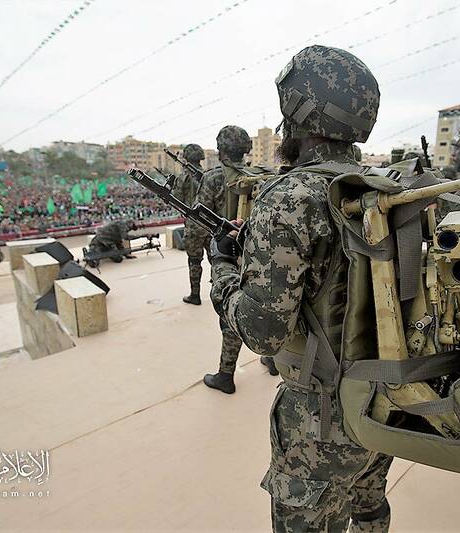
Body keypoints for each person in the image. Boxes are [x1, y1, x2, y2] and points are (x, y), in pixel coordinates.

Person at [210, 45, 392, 531]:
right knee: (369, 506)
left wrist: (224, 270)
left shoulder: (290, 198)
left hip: (323, 420)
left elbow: (263, 334)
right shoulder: (383, 188)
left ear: (297, 113)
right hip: (390, 400)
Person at [200, 125, 276, 395]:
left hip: (230, 256)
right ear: (246, 149)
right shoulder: (260, 176)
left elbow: (201, 220)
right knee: (267, 306)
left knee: (230, 313)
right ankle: (270, 357)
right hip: (262, 255)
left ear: (220, 149)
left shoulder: (212, 179)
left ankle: (226, 374)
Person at [174, 143, 208, 305]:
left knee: (194, 261)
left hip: (194, 225)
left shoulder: (184, 176)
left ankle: (195, 295)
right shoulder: (208, 175)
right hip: (210, 224)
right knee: (217, 260)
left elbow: (176, 199)